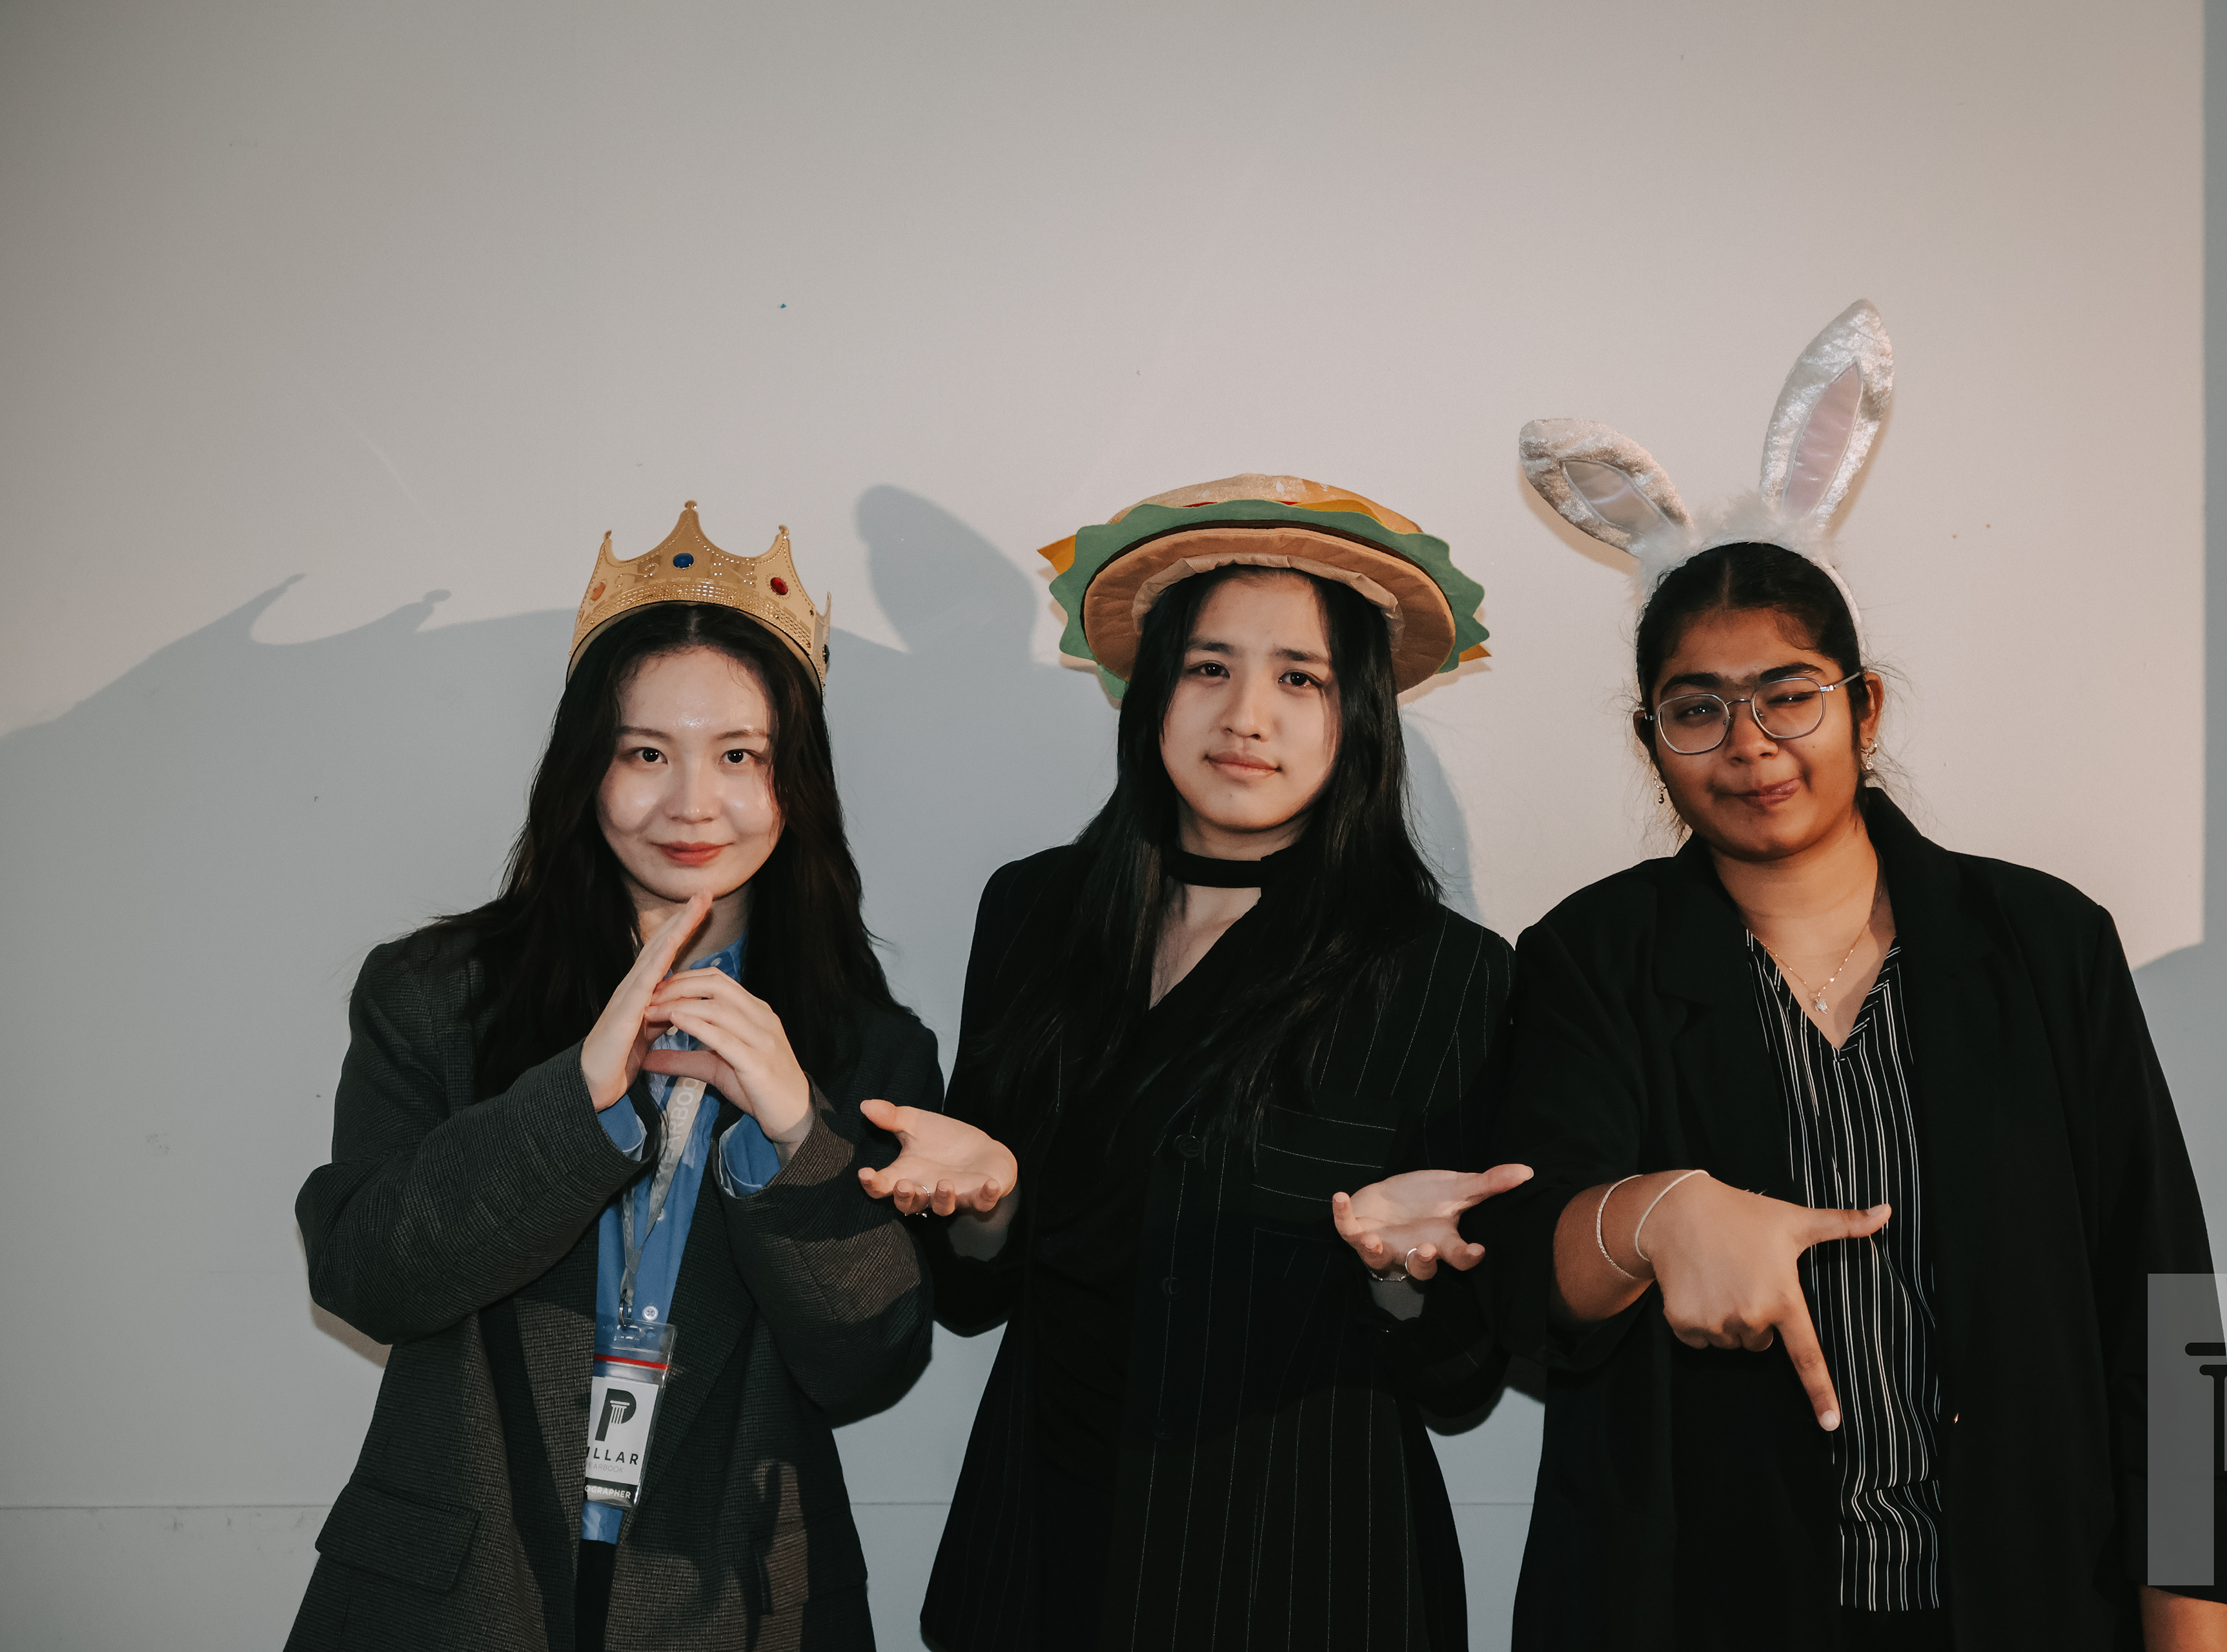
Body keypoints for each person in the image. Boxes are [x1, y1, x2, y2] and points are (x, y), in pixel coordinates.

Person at [1475, 307, 2227, 1649]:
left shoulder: (2044, 945)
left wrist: (2188, 1630)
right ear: (1653, 742)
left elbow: (2165, 1311)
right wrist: (1653, 1216)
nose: (1750, 743)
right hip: (1702, 1613)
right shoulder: (1591, 959)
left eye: (1790, 693)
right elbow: (1528, 1284)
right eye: (1697, 708)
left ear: (1863, 705)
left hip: (2023, 1609)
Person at [851, 475, 1526, 1652]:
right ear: (1152, 692)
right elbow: (971, 1299)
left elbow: (1461, 1380)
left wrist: (1402, 1276)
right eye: (1210, 667)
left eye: (1300, 678)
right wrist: (983, 1213)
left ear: (1360, 716)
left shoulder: (1446, 974)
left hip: (1309, 1573)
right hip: (1046, 1552)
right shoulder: (1035, 915)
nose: (1245, 716)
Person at [289, 505, 939, 1651]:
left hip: (743, 1598)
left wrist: (798, 1132)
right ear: (584, 770)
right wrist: (574, 1097)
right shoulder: (434, 996)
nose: (691, 804)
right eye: (645, 753)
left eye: (739, 756)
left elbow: (868, 1365)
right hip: (452, 1591)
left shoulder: (866, 1047)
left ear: (794, 782)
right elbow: (366, 1279)